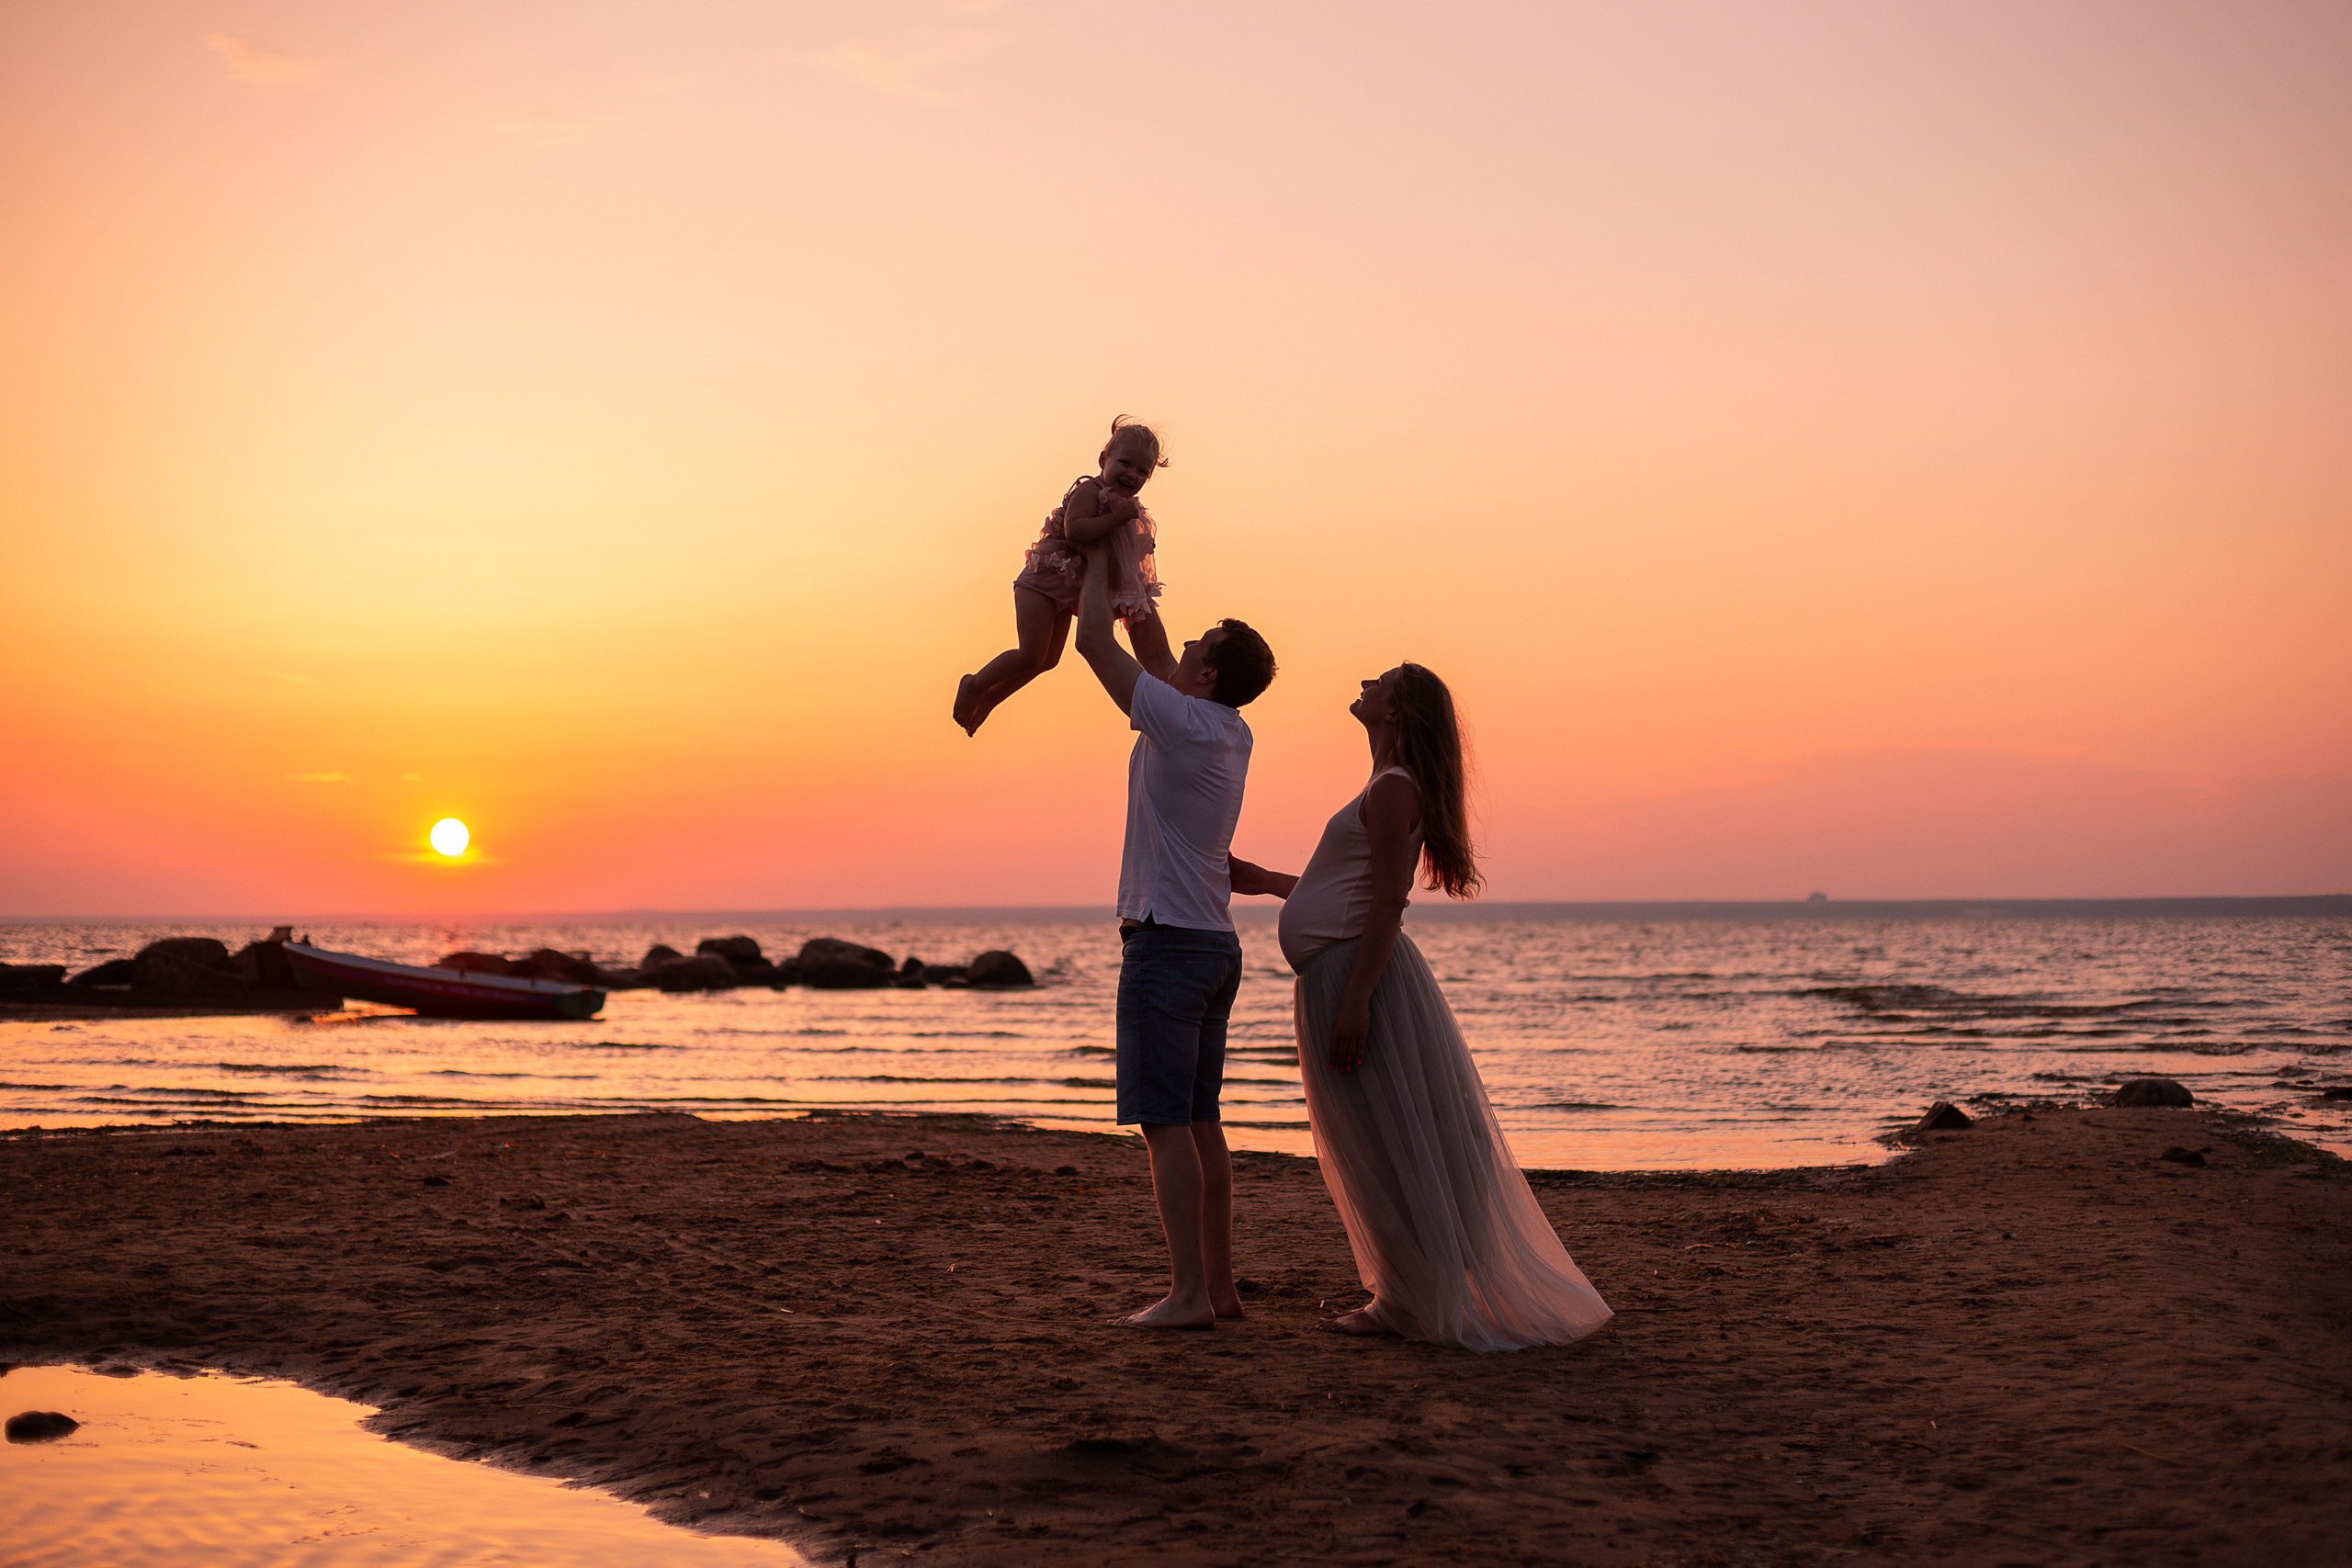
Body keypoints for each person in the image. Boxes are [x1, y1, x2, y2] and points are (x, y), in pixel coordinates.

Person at [1228, 664, 1613, 1351]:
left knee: (1381, 1140)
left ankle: (1405, 1302)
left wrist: (1355, 1003)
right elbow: (1346, 889)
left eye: (1380, 678)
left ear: (1398, 711)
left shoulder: (1395, 788)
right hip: (1338, 977)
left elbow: (1385, 904)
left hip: (1355, 981)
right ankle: (1404, 1294)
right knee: (1370, 1139)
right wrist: (1267, 882)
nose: (1366, 679)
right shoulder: (1385, 786)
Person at [1069, 530, 1276, 1329]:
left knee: (1164, 1127)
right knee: (1200, 1123)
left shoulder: (1183, 722)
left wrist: (1087, 551)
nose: (1183, 640)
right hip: (1213, 947)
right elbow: (1149, 635)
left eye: (1200, 645)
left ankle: (1189, 1294)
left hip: (1165, 944)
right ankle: (1219, 1291)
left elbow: (1095, 639)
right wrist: (1127, 549)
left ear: (1210, 674)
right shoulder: (1226, 727)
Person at [954, 417, 1169, 736]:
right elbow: (1076, 530)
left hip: (1065, 592)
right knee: (1030, 653)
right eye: (1125, 463)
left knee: (1046, 661)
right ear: (1103, 460)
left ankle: (990, 698)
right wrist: (1114, 520)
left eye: (1142, 472)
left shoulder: (1126, 507)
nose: (1131, 475)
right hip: (1042, 582)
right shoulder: (1089, 490)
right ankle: (974, 683)